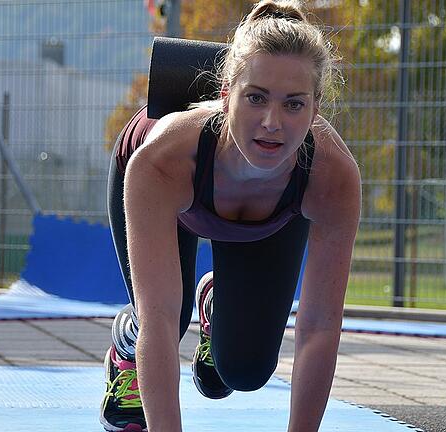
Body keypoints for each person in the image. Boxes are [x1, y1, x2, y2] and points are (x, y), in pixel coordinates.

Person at [100, 1, 360, 431]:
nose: (272, 123)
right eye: (255, 99)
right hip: (168, 192)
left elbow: (319, 326)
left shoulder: (331, 176)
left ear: (315, 112)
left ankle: (216, 302)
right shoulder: (160, 162)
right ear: (225, 96)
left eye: (293, 105)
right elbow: (160, 319)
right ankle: (123, 353)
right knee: (169, 313)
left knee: (245, 371)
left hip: (267, 217)